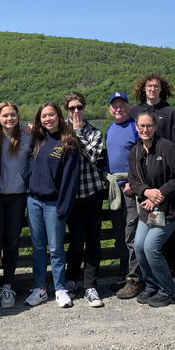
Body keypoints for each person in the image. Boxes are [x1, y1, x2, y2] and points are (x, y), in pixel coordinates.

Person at [128, 111, 175, 307]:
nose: (145, 129)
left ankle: (169, 291)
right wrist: (147, 192)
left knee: (151, 247)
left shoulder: (167, 148)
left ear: (155, 127)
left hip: (170, 208)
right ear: (136, 128)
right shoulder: (135, 152)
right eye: (141, 126)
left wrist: (159, 194)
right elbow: (133, 180)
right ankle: (152, 285)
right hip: (149, 208)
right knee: (138, 246)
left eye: (149, 126)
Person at [25, 102, 80, 308]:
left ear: (59, 116)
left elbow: (70, 179)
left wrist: (64, 206)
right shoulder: (37, 139)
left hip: (54, 203)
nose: (48, 119)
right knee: (38, 248)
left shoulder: (68, 142)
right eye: (43, 116)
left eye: (51, 115)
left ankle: (60, 289)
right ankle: (39, 288)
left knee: (56, 248)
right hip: (34, 201)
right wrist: (26, 129)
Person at [0, 102, 33, 309]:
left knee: (12, 244)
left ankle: (7, 287)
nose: (9, 119)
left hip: (17, 196)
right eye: (5, 115)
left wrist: (31, 127)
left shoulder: (26, 136)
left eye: (13, 115)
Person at [63, 92, 106, 308]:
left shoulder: (95, 132)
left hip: (92, 192)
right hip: (71, 194)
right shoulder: (58, 131)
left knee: (93, 239)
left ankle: (91, 285)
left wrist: (78, 132)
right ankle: (71, 281)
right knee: (77, 239)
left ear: (84, 107)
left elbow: (92, 156)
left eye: (79, 107)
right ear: (66, 110)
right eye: (72, 108)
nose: (76, 111)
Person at [105, 91, 145, 300]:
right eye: (115, 106)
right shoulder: (110, 130)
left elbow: (143, 156)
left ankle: (136, 280)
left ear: (128, 107)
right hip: (115, 189)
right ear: (110, 110)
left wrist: (134, 182)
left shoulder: (135, 128)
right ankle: (126, 274)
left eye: (122, 105)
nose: (118, 109)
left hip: (131, 190)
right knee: (120, 235)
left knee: (132, 234)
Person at [130, 73, 175, 150]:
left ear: (161, 88)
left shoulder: (170, 112)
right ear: (144, 88)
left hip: (164, 157)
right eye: (150, 86)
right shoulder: (134, 111)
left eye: (156, 86)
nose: (153, 89)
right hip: (141, 158)